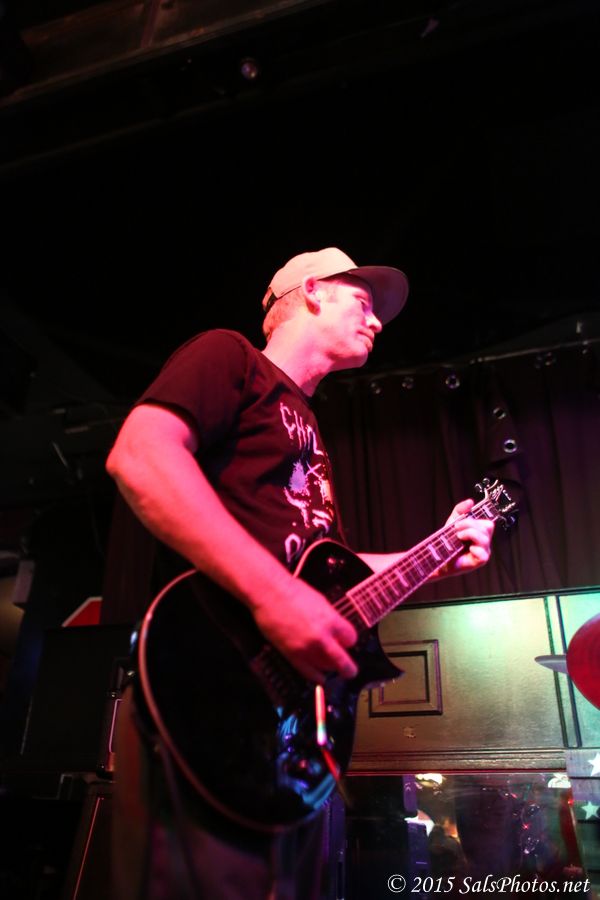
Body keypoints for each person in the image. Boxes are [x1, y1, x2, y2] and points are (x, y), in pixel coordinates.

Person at [104, 247, 495, 900]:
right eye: (363, 303)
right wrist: (273, 594)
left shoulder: (309, 425)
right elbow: (140, 455)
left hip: (284, 732)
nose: (377, 322)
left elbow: (328, 581)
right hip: (205, 694)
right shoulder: (229, 356)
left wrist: (436, 554)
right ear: (312, 291)